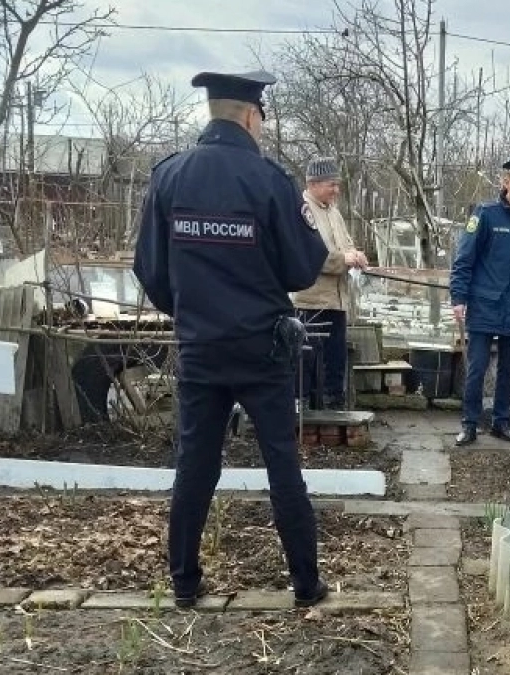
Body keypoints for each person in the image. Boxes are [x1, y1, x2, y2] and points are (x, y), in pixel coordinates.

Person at [133, 69, 331, 609]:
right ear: (250, 114)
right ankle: (306, 585)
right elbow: (302, 268)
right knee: (281, 463)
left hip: (199, 347)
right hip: (262, 349)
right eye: (261, 118)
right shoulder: (270, 181)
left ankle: (184, 583)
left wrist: (192, 311)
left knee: (195, 462)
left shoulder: (169, 177)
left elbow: (148, 268)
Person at [449, 155, 510, 446]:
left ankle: (501, 422)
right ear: (506, 183)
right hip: (484, 304)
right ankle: (469, 424)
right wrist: (458, 298)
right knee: (477, 367)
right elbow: (464, 260)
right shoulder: (486, 214)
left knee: (508, 369)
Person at [293, 155, 369, 410]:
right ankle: (303, 408)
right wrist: (343, 259)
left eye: (337, 185)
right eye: (331, 184)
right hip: (311, 299)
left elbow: (344, 245)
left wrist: (356, 255)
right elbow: (308, 254)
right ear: (313, 184)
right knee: (307, 358)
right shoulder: (302, 210)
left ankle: (333, 406)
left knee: (335, 358)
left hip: (337, 299)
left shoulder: (333, 212)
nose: (336, 190)